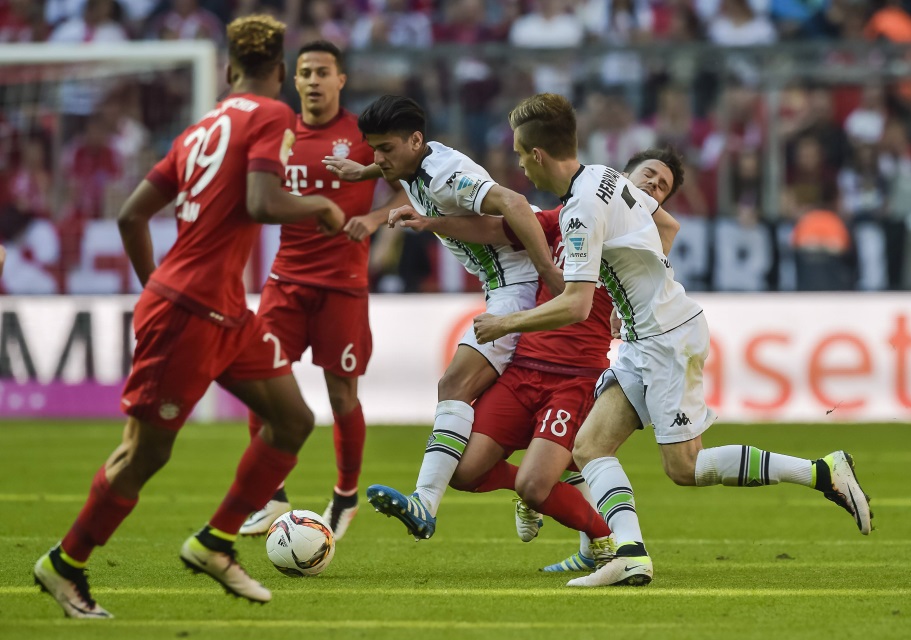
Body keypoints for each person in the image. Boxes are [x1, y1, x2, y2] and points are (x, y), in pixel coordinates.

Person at [473, 93, 873, 588]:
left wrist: (506, 324)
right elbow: (665, 222)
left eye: (518, 153)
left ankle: (821, 471)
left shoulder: (579, 210)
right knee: (590, 447)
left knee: (685, 467)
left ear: (537, 155)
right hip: (647, 337)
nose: (518, 163)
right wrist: (636, 293)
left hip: (667, 338)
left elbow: (576, 305)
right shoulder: (605, 176)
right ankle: (631, 554)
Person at [32, 15, 346, 618]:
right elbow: (261, 200)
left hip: (222, 310)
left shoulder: (199, 127)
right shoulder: (273, 115)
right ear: (279, 72)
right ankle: (65, 564)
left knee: (292, 419)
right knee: (146, 453)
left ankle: (215, 541)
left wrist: (157, 286)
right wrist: (318, 205)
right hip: (191, 312)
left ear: (228, 70)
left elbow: (129, 215)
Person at [391, 148, 684, 572]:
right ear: (622, 174)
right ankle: (555, 479)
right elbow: (499, 228)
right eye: (649, 176)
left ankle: (597, 532)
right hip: (525, 367)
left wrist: (509, 322)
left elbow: (667, 226)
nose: (653, 187)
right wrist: (430, 223)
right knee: (465, 471)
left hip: (575, 376)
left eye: (662, 188)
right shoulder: (569, 214)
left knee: (533, 486)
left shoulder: (639, 245)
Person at [323, 95, 562, 540]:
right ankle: (545, 494)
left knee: (454, 385)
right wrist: (364, 171)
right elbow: (396, 165)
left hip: (519, 286)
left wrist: (548, 271)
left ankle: (425, 504)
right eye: (373, 150)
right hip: (503, 287)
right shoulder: (414, 162)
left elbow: (512, 203)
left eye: (385, 150)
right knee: (535, 405)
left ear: (416, 140)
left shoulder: (445, 177)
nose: (379, 160)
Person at [237, 40, 408, 540]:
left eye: (323, 72)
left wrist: (375, 218)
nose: (313, 80)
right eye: (305, 72)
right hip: (286, 281)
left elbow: (408, 180)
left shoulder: (361, 134)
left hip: (343, 286)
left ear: (341, 80)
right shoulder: (279, 131)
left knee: (341, 396)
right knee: (258, 382)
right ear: (294, 81)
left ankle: (346, 495)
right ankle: (271, 496)